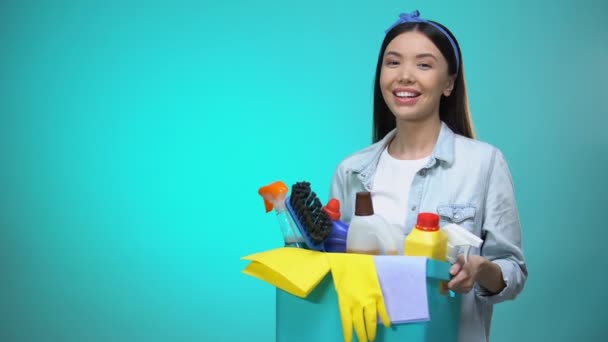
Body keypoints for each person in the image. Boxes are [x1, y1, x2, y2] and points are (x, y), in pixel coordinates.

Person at [329, 10, 527, 342]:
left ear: (449, 83)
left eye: (424, 64)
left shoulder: (484, 163)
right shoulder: (351, 171)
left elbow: (513, 272)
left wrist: (480, 270)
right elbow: (339, 270)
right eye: (393, 62)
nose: (404, 76)